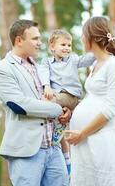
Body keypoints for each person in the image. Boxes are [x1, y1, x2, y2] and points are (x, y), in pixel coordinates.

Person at [0, 19, 71, 186]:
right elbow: (19, 105)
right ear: (19, 40)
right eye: (35, 39)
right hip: (26, 152)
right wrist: (56, 109)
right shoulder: (2, 69)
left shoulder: (42, 67)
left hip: (53, 149)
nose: (40, 43)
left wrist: (65, 110)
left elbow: (55, 96)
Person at [65, 16, 115, 186]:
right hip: (86, 142)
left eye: (83, 34)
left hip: (104, 140)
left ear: (93, 37)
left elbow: (110, 109)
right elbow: (92, 99)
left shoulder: (114, 65)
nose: (81, 38)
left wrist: (82, 133)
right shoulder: (94, 65)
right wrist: (72, 114)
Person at [39, 29, 95, 175]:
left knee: (46, 101)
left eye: (69, 45)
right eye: (63, 44)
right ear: (52, 47)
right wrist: (46, 85)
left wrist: (97, 50)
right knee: (61, 132)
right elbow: (43, 73)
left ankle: (57, 131)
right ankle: (67, 160)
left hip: (71, 97)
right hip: (59, 98)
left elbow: (86, 60)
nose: (67, 48)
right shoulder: (46, 62)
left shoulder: (73, 59)